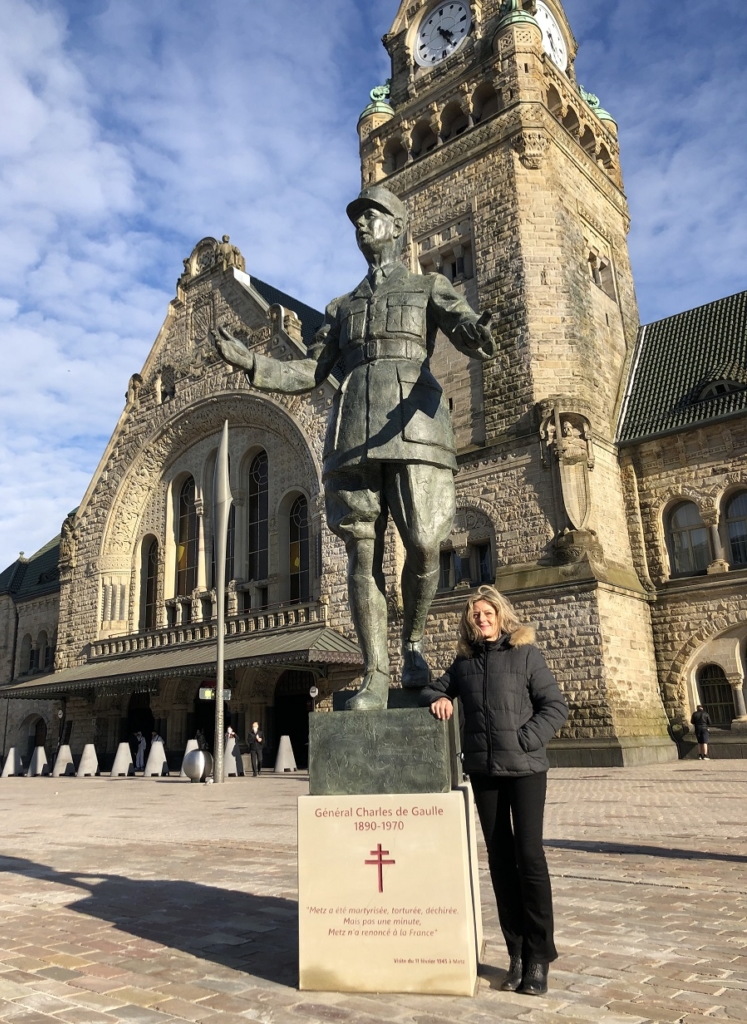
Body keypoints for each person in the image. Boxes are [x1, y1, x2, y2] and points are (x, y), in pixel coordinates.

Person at [215, 184, 495, 710]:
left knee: (425, 544)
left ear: (397, 226)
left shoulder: (428, 285)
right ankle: (375, 671)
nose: (362, 226)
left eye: (373, 217)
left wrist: (478, 333)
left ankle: (412, 641)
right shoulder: (340, 308)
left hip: (416, 423)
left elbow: (465, 328)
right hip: (353, 432)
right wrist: (252, 364)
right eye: (357, 220)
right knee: (362, 554)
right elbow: (310, 371)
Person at [422, 586, 568, 996]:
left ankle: (540, 957)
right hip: (484, 771)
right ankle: (516, 952)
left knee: (529, 857)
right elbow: (432, 688)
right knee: (500, 862)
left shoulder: (525, 654)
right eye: (474, 616)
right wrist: (440, 699)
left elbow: (554, 706)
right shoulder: (464, 662)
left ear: (501, 615)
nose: (481, 620)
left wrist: (526, 739)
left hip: (524, 770)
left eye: (487, 613)